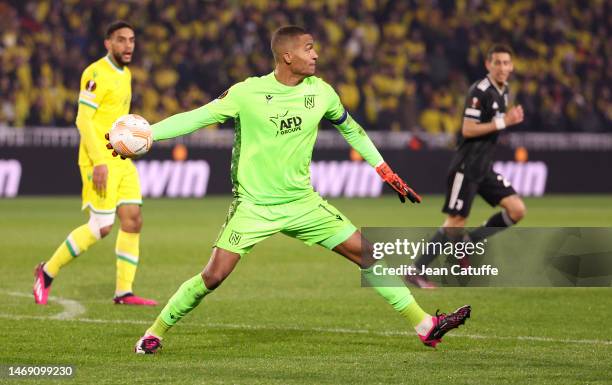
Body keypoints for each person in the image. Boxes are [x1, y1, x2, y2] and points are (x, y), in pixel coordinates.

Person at [120, 26, 470, 354]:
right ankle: (153, 333)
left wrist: (383, 169)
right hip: (254, 206)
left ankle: (424, 324)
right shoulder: (248, 93)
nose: (316, 55)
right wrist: (149, 133)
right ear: (287, 57)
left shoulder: (321, 93)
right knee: (213, 276)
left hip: (303, 203)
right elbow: (197, 117)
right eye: (308, 48)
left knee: (368, 253)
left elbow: (352, 129)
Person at [33, 21, 156, 306]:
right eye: (121, 40)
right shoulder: (95, 73)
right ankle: (47, 271)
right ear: (108, 43)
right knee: (101, 227)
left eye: (132, 40)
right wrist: (99, 160)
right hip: (98, 160)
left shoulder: (125, 74)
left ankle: (123, 292)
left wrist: (130, 143)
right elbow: (83, 119)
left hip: (120, 159)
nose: (128, 46)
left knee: (133, 220)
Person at [407, 44, 526, 289]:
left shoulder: (504, 91)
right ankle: (416, 270)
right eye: (497, 63)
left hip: (484, 166)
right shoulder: (479, 90)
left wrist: (504, 121)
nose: (502, 67)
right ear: (488, 65)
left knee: (516, 209)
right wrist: (505, 121)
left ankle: (467, 244)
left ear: (512, 67)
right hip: (466, 166)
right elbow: (468, 129)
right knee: (455, 222)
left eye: (506, 63)